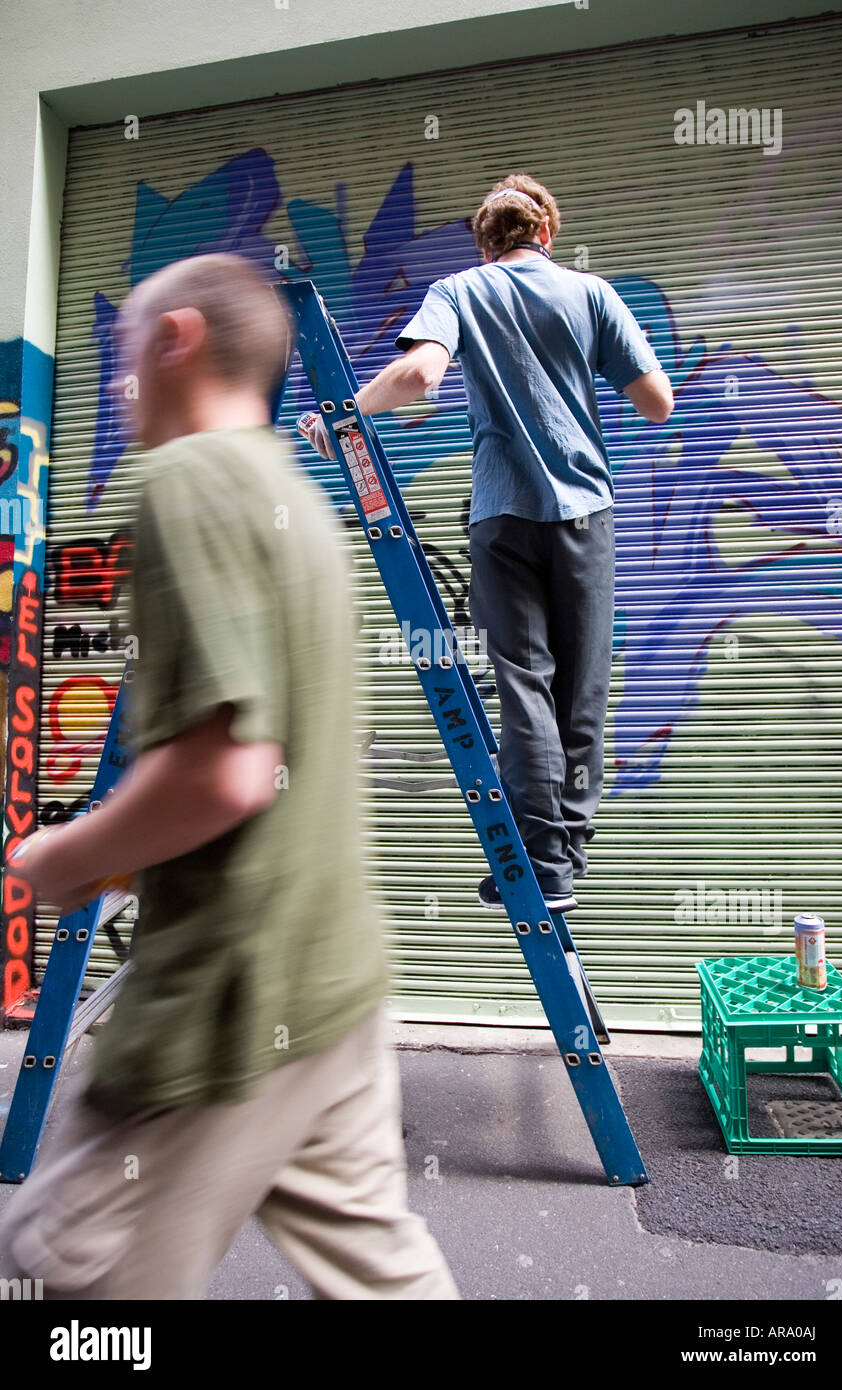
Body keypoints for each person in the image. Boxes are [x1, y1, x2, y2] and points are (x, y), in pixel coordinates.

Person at [0, 252, 458, 1301]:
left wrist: (57, 861)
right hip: (336, 985)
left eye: (121, 354)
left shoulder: (187, 478)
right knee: (381, 1272)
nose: (116, 387)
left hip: (229, 1003)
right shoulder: (297, 506)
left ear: (177, 340)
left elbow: (227, 771)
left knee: (63, 1276)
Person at [306, 173, 673, 914]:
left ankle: (544, 865)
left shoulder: (460, 290)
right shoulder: (592, 293)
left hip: (502, 517)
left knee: (525, 685)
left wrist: (338, 418)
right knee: (583, 692)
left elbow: (418, 373)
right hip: (585, 513)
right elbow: (658, 404)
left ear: (483, 240)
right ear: (548, 231)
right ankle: (569, 851)